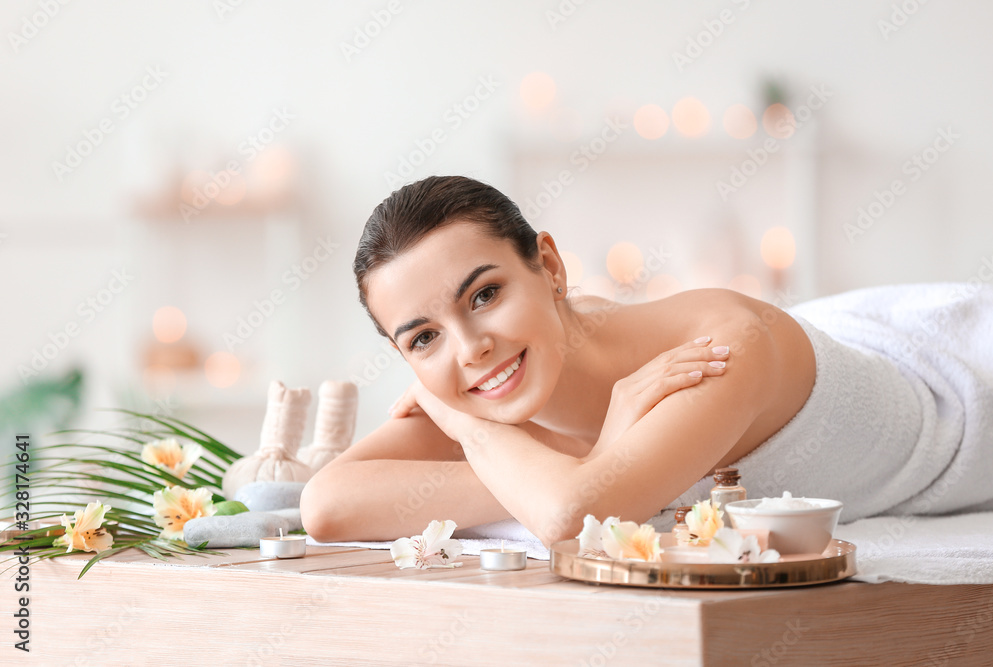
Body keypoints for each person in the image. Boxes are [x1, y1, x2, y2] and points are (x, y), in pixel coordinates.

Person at [300, 175, 819, 548]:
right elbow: (324, 504)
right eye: (424, 339)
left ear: (549, 267)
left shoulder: (721, 348)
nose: (470, 349)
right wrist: (572, 465)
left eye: (484, 296)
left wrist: (487, 441)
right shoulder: (480, 389)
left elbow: (571, 518)